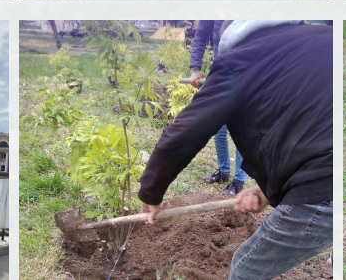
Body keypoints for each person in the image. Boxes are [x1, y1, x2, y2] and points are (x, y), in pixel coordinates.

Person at [140, 21, 332, 280]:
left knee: (245, 270)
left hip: (323, 189)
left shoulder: (239, 61)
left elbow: (187, 130)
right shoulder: (325, 37)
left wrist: (150, 192)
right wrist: (267, 191)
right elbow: (311, 125)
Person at [188, 21, 248, 195]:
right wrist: (195, 68)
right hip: (221, 69)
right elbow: (201, 34)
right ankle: (223, 172)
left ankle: (239, 181)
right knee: (218, 127)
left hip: (247, 71)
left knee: (243, 130)